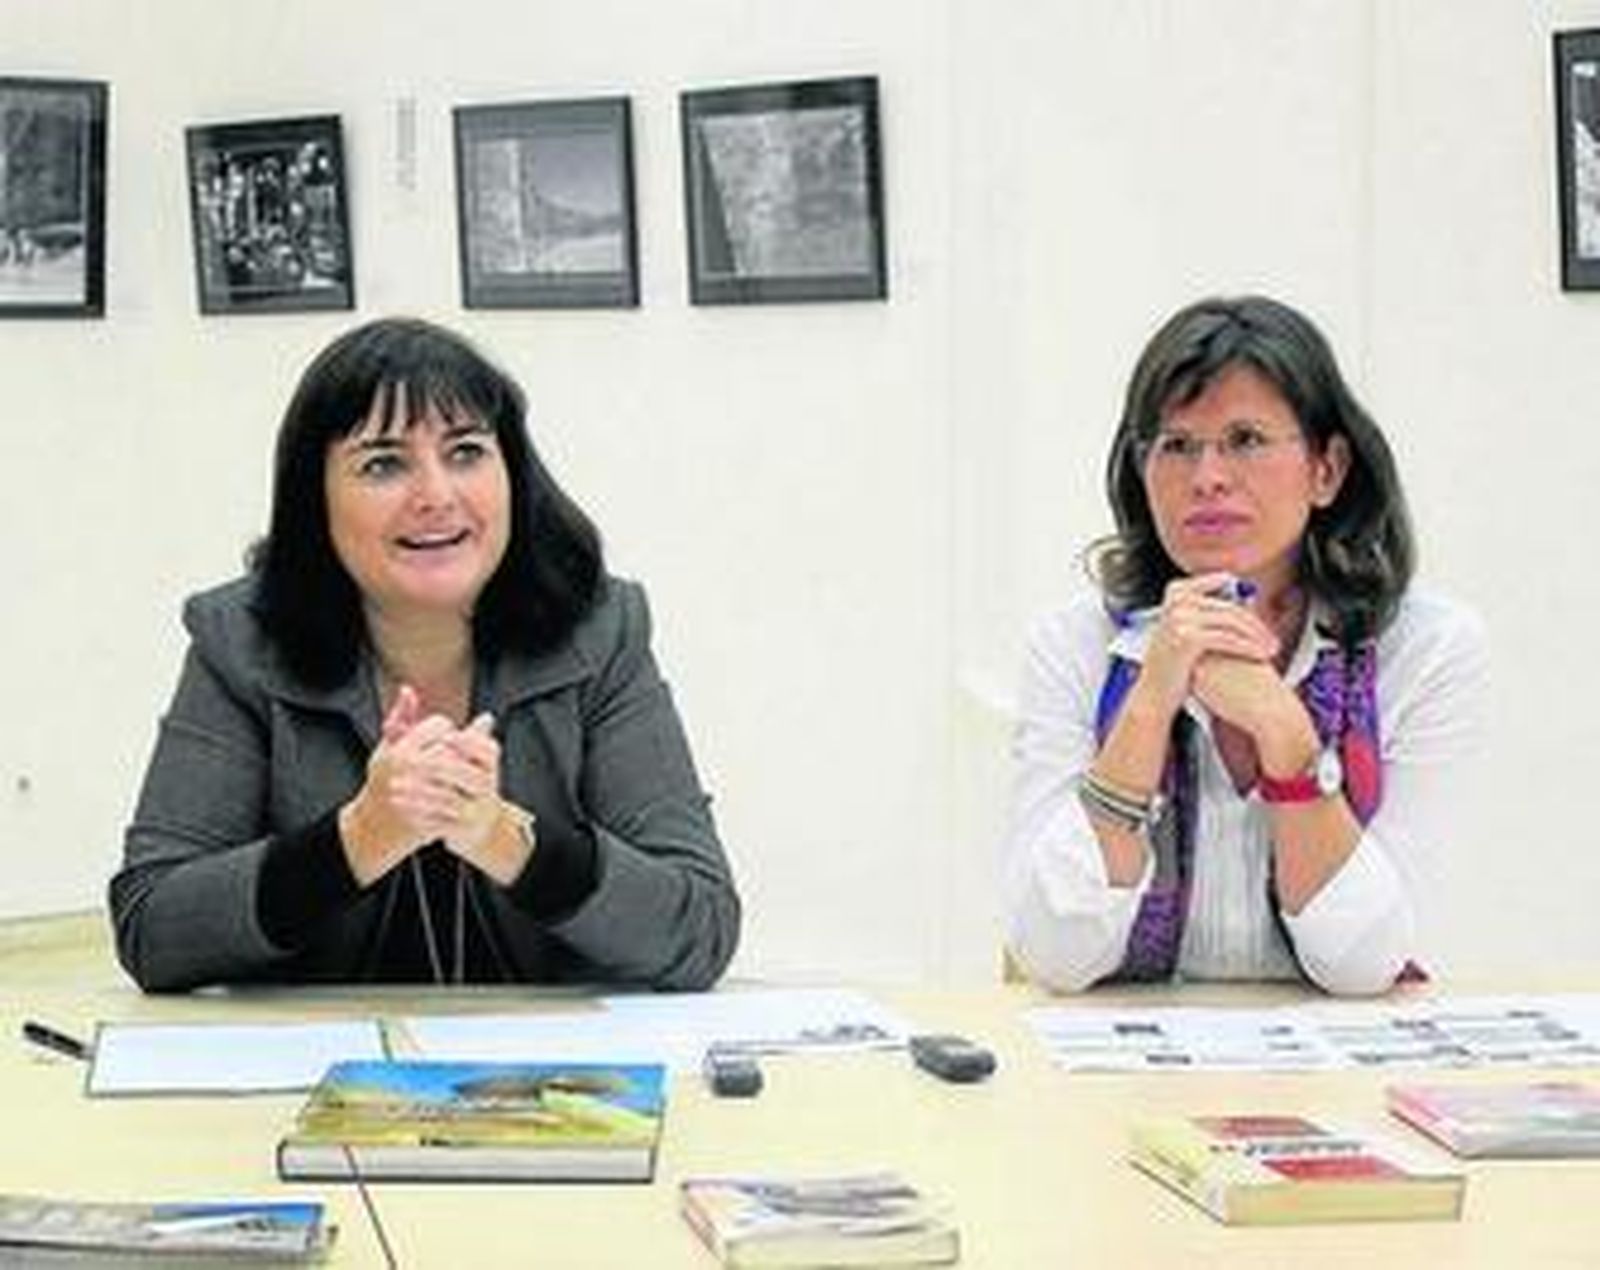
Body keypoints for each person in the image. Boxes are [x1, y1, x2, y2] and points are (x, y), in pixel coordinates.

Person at [111, 317, 740, 992]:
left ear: (512, 475)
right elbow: (153, 929)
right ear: (313, 498)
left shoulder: (600, 631)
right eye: (384, 464)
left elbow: (699, 930)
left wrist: (504, 838)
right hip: (309, 1069)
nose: (436, 496)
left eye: (466, 452)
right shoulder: (240, 642)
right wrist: (362, 834)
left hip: (558, 1075)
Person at [1001, 295, 1486, 996]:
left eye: (1246, 440)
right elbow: (1055, 956)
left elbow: (1363, 966)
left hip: (1339, 1073)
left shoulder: (1426, 647)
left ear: (1328, 469)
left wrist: (1286, 735)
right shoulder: (1075, 644)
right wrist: (1148, 704)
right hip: (1119, 1073)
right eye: (1177, 445)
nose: (1208, 478)